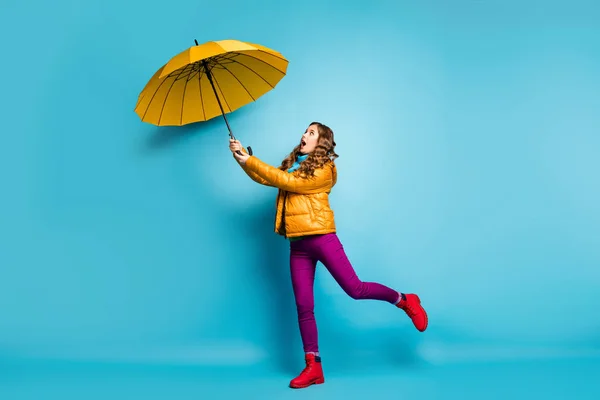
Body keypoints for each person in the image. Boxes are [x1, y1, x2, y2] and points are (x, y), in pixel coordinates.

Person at [229, 122, 428, 389]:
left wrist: (253, 160)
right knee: (303, 306)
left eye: (311, 133)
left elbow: (286, 181)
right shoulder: (293, 164)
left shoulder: (324, 169)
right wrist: (243, 158)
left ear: (321, 142)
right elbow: (269, 178)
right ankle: (314, 367)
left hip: (322, 238)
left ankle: (404, 300)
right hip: (298, 244)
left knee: (355, 289)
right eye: (304, 131)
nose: (304, 135)